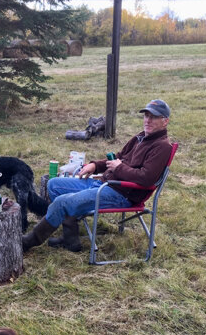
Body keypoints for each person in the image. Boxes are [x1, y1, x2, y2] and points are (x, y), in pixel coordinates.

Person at [22, 99, 173, 252]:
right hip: (104, 183)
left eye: (153, 117)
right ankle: (71, 238)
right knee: (54, 184)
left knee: (62, 202)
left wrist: (119, 168)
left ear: (165, 121)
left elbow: (146, 178)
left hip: (121, 195)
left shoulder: (161, 146)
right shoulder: (140, 137)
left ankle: (29, 241)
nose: (147, 120)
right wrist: (95, 166)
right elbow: (117, 157)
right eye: (146, 116)